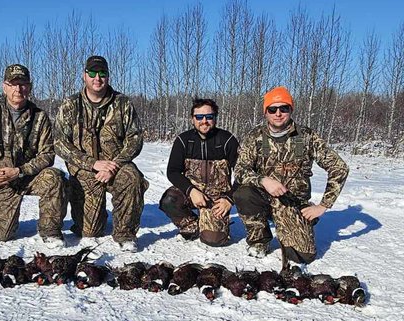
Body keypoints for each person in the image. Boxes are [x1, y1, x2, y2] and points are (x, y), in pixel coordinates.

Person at [234, 86, 349, 265]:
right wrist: (263, 180)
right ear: (266, 112)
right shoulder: (255, 136)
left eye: (284, 108)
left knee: (303, 257)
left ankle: (287, 224)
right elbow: (240, 170)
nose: (278, 113)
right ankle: (259, 239)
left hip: (292, 202)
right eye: (272, 109)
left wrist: (323, 206)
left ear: (291, 110)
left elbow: (339, 168)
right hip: (263, 197)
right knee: (243, 193)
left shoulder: (306, 136)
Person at [0, 64, 67, 246]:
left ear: (30, 86)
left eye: (23, 84)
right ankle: (4, 214)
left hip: (27, 176)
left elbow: (48, 155)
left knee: (55, 178)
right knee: (0, 236)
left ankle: (50, 230)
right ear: (5, 86)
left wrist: (20, 171)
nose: (18, 89)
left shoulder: (40, 117)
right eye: (13, 84)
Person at [54, 55, 148, 250]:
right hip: (85, 170)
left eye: (102, 73)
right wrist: (91, 163)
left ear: (108, 76)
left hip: (116, 166)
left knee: (132, 178)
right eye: (92, 73)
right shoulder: (70, 105)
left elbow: (135, 139)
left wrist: (114, 165)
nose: (97, 78)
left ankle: (125, 233)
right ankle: (94, 216)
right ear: (84, 75)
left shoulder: (122, 103)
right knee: (90, 231)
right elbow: (60, 142)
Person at [159, 99, 239, 246]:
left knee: (213, 240)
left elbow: (242, 174)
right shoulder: (183, 140)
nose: (204, 121)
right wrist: (191, 190)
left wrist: (229, 199)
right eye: (199, 117)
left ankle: (211, 224)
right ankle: (191, 224)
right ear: (192, 119)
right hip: (192, 192)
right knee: (169, 201)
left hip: (216, 199)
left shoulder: (227, 140)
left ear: (215, 118)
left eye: (209, 117)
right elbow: (173, 171)